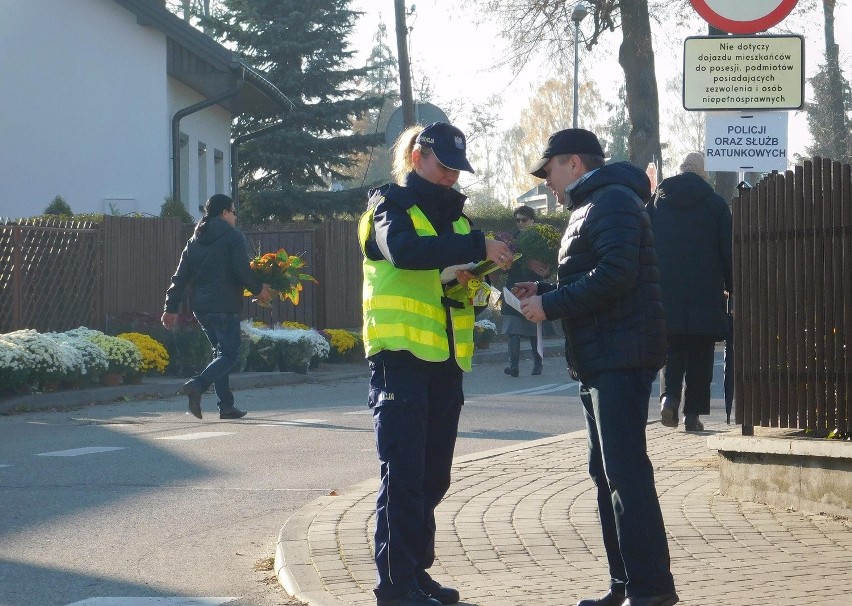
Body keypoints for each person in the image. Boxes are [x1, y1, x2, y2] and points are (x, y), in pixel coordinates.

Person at [514, 128, 678, 606]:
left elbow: (616, 274)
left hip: (620, 356)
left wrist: (552, 305)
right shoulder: (596, 203)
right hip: (602, 356)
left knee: (625, 474)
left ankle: (650, 590)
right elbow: (597, 273)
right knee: (608, 474)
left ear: (575, 164)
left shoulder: (611, 201)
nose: (547, 182)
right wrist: (544, 294)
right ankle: (625, 585)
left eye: (550, 171)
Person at [359, 122, 512, 606]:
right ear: (418, 155)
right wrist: (473, 250)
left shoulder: (461, 221)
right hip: (400, 358)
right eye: (445, 166)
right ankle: (395, 585)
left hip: (445, 359)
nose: (451, 176)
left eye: (457, 169)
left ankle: (415, 574)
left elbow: (448, 284)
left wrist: (475, 280)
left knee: (432, 476)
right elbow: (404, 254)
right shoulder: (387, 206)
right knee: (403, 475)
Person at [161, 193, 272, 420]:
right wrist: (259, 289)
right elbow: (241, 269)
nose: (235, 216)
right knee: (229, 355)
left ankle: (226, 406)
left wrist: (170, 308)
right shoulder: (233, 237)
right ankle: (197, 385)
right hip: (224, 306)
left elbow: (179, 277)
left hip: (201, 308)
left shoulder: (194, 240)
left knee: (219, 353)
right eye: (233, 211)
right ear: (224, 213)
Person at [647, 152, 733, 432]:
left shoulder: (658, 201)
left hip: (665, 289)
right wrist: (732, 286)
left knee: (671, 349)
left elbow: (644, 242)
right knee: (701, 353)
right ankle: (692, 414)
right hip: (705, 291)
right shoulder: (715, 204)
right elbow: (727, 251)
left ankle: (668, 398)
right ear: (703, 174)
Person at [501, 205, 550, 376]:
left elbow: (548, 264)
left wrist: (546, 272)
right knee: (512, 328)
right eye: (517, 220)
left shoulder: (541, 238)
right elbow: (503, 266)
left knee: (533, 328)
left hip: (532, 288)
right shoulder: (511, 240)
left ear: (532, 220)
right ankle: (513, 366)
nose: (520, 223)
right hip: (513, 288)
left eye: (524, 219)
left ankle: (538, 363)